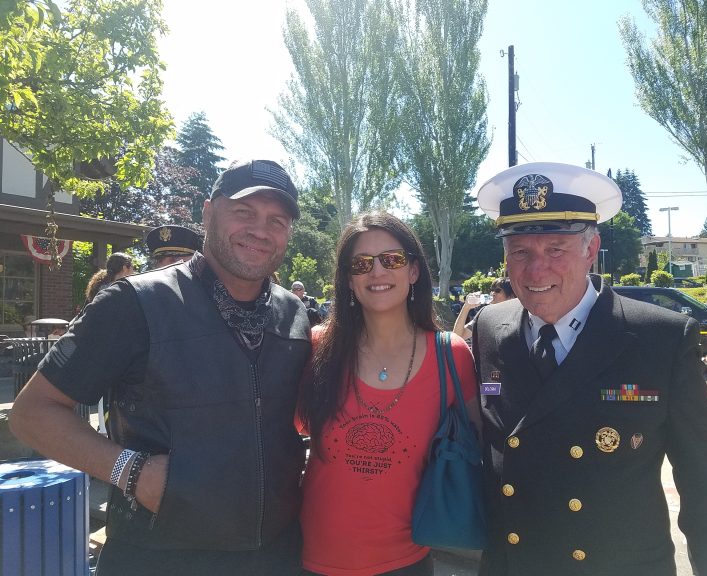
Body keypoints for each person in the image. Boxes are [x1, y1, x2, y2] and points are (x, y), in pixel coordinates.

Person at [10, 159, 311, 575]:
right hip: (160, 556)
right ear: (208, 212)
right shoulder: (134, 303)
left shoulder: (293, 313)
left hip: (277, 555)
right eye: (244, 212)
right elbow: (32, 414)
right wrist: (130, 471)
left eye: (277, 220)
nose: (260, 230)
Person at [472, 162, 707, 576]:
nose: (535, 270)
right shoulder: (489, 327)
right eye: (521, 252)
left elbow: (702, 480)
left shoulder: (659, 337)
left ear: (590, 248)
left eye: (555, 250)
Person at [297, 212, 481, 576]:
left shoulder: (452, 355)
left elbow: (481, 448)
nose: (377, 272)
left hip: (407, 561)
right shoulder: (316, 347)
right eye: (362, 264)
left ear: (413, 271)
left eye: (392, 260)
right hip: (310, 559)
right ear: (348, 280)